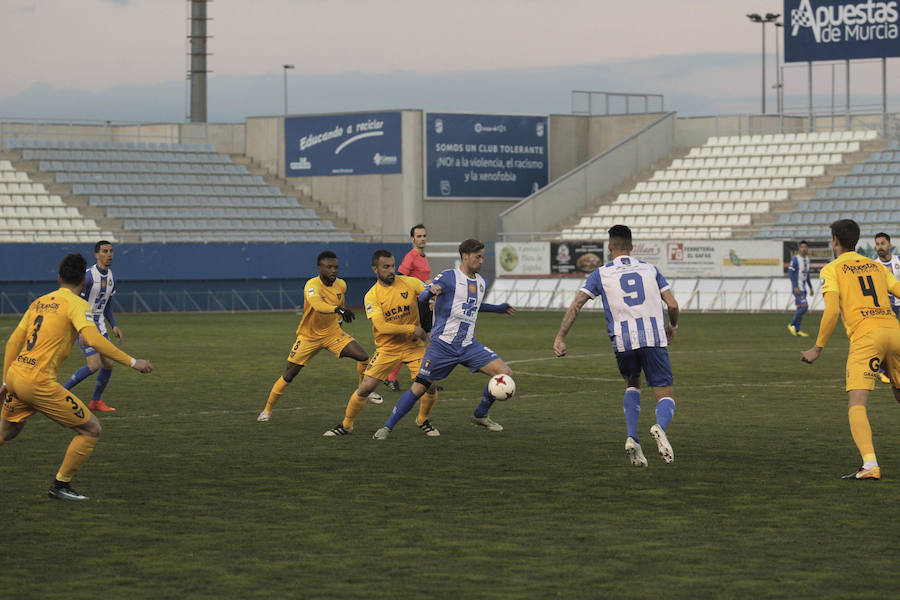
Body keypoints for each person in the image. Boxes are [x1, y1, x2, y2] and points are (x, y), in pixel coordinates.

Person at [0, 253, 153, 501]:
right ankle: (60, 486)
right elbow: (93, 339)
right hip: (38, 383)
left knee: (7, 433)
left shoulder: (38, 302)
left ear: (59, 277)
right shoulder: (77, 304)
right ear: (84, 280)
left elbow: (13, 342)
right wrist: (133, 362)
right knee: (91, 429)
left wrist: (6, 381)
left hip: (16, 374)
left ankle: (60, 485)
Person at [553, 224, 679, 467]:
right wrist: (673, 326)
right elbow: (672, 305)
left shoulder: (600, 274)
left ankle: (633, 437)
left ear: (610, 247)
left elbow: (576, 305)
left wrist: (561, 336)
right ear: (632, 247)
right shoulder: (650, 269)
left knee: (633, 384)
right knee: (666, 395)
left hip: (623, 340)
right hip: (653, 337)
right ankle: (659, 427)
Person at [373, 239, 515, 439]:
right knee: (419, 387)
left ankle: (480, 415)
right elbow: (422, 297)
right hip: (442, 346)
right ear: (465, 256)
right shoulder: (449, 276)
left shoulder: (481, 283)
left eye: (482, 256)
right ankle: (387, 427)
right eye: (478, 257)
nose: (481, 261)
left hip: (468, 345)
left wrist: (498, 308)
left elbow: (472, 306)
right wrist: (429, 291)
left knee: (505, 372)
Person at [801, 219, 900, 480]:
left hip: (867, 338)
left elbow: (832, 310)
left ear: (835, 239)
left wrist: (818, 347)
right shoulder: (876, 268)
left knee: (857, 403)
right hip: (895, 330)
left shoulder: (832, 269)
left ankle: (870, 465)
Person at [324, 250, 438, 436]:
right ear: (375, 269)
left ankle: (423, 420)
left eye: (392, 266)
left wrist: (434, 292)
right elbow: (382, 326)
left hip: (413, 347)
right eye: (386, 267)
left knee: (430, 385)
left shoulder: (409, 283)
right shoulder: (372, 296)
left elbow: (428, 290)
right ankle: (346, 425)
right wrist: (412, 329)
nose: (391, 270)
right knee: (366, 387)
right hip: (388, 349)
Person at [257, 250, 378, 422]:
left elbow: (340, 303)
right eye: (329, 267)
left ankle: (364, 390)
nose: (333, 271)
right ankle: (267, 410)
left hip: (332, 333)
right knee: (289, 374)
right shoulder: (312, 285)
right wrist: (337, 310)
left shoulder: (341, 285)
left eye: (336, 267)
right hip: (308, 337)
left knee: (363, 356)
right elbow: (317, 304)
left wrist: (339, 318)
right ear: (319, 268)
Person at [61, 240, 122, 412]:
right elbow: (75, 302)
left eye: (111, 251)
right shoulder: (87, 277)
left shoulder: (113, 278)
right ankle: (61, 392)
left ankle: (96, 401)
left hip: (100, 327)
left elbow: (107, 304)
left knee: (108, 364)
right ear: (96, 255)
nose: (109, 254)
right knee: (94, 365)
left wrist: (114, 325)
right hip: (84, 325)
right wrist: (80, 328)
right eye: (104, 251)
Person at [383, 224, 432, 392]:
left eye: (424, 235)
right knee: (414, 342)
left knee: (430, 341)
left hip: (424, 303)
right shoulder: (411, 256)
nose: (422, 239)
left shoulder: (423, 256)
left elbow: (423, 280)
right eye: (418, 236)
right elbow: (401, 277)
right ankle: (391, 377)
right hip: (415, 303)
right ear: (412, 239)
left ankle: (428, 378)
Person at [874, 232, 900, 383]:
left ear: (889, 245)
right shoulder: (873, 265)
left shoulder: (898, 260)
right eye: (877, 244)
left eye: (883, 243)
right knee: (886, 340)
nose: (880, 247)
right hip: (885, 308)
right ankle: (883, 370)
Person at [788, 240, 813, 337]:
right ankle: (792, 324)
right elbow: (790, 273)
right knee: (805, 307)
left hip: (804, 288)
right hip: (798, 288)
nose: (804, 249)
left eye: (805, 247)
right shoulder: (795, 259)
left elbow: (807, 275)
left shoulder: (807, 259)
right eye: (802, 247)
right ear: (799, 248)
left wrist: (810, 287)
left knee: (800, 308)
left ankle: (797, 330)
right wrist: (795, 287)